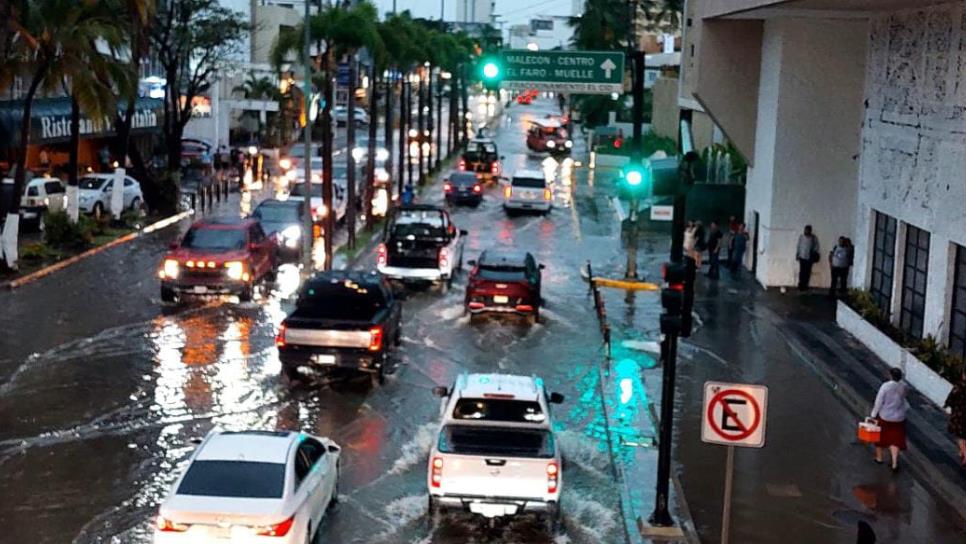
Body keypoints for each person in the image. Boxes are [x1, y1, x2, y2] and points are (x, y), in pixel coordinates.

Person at [872, 367, 909, 471]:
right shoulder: (904, 386)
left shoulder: (885, 386)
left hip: (885, 416)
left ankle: (879, 458)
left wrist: (873, 414)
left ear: (890, 375)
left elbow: (878, 401)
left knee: (879, 437)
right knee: (895, 440)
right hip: (899, 417)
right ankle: (894, 462)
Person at [944, 367, 966, 466]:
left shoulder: (960, 386)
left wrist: (947, 404)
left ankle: (965, 454)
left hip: (960, 415)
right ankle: (962, 452)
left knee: (959, 437)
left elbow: (951, 397)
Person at [796, 225, 820, 291]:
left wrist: (814, 252)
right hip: (802, 257)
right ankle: (801, 285)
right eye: (805, 230)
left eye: (808, 230)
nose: (806, 231)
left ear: (810, 230)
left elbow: (817, 246)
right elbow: (798, 246)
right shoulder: (801, 237)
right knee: (801, 272)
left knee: (807, 273)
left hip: (809, 258)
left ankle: (805, 285)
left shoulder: (813, 238)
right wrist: (797, 254)